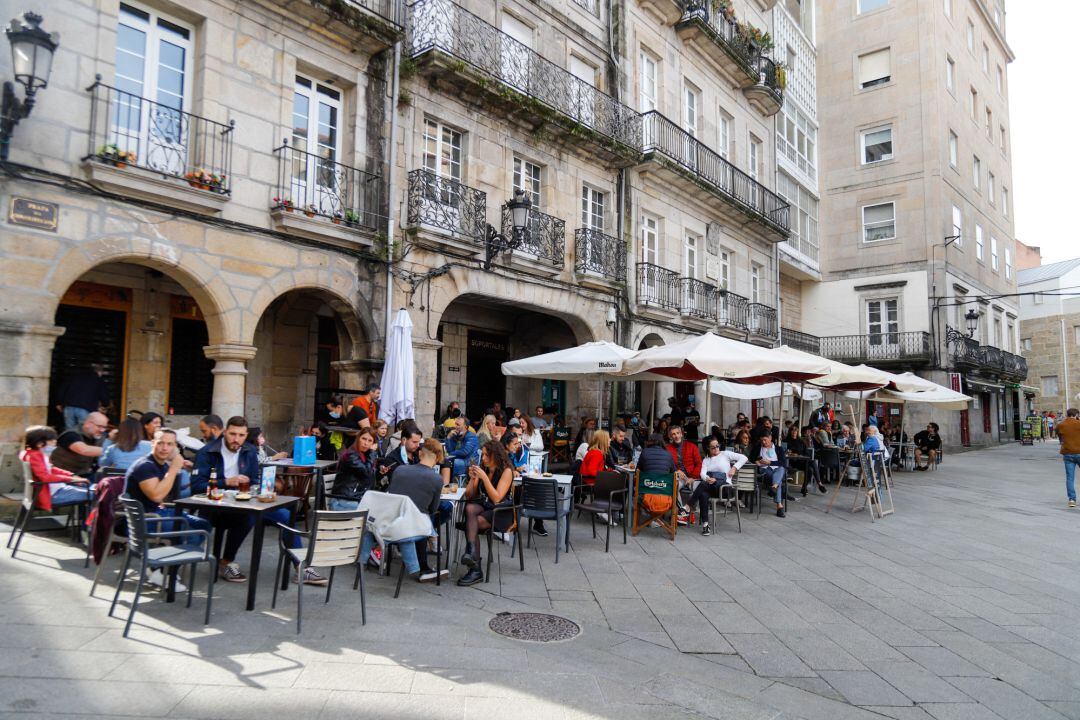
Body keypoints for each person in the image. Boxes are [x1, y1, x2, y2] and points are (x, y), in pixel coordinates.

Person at [194, 416, 326, 585]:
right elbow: (196, 486)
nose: (236, 439)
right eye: (232, 434)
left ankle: (302, 568)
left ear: (246, 435)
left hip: (246, 501)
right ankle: (226, 562)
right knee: (248, 517)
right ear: (225, 432)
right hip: (217, 507)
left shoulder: (248, 451)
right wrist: (226, 482)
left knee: (287, 516)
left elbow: (255, 481)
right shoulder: (207, 452)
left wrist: (264, 491)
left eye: (241, 435)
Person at [125, 429, 213, 590]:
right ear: (153, 444)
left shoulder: (159, 465)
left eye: (170, 444)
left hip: (157, 513)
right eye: (160, 443)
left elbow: (165, 496)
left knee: (204, 525)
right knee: (194, 533)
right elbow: (157, 496)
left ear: (175, 447)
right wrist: (175, 467)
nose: (164, 448)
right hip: (145, 520)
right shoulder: (145, 466)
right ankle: (163, 571)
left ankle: (162, 567)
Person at [380, 438, 449, 583]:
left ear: (420, 454)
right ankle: (424, 567)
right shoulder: (437, 479)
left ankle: (420, 564)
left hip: (392, 522)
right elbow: (433, 508)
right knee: (424, 516)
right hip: (414, 528)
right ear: (437, 458)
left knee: (419, 514)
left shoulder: (400, 469)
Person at [458, 440, 515, 586]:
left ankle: (474, 567)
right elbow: (470, 495)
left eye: (485, 455)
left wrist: (484, 477)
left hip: (501, 511)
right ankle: (472, 557)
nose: (482, 458)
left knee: (471, 525)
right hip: (485, 506)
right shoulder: (484, 468)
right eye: (482, 455)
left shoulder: (507, 471)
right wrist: (473, 479)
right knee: (469, 508)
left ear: (494, 455)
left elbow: (497, 498)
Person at [21, 425, 91, 512]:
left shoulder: (34, 454)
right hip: (53, 494)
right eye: (51, 440)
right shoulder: (34, 456)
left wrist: (72, 476)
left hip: (55, 490)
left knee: (91, 488)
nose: (55, 442)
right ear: (39, 444)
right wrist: (71, 479)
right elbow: (45, 477)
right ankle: (91, 525)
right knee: (95, 494)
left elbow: (52, 469)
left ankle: (88, 524)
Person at [693, 439, 747, 536]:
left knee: (703, 485)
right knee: (703, 493)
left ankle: (689, 505)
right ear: (708, 448)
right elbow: (702, 474)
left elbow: (744, 458)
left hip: (725, 488)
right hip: (712, 487)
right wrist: (708, 478)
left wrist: (734, 468)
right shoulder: (706, 460)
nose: (716, 449)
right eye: (713, 447)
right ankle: (705, 524)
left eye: (717, 446)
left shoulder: (725, 454)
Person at [329, 427, 378, 509]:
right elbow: (366, 473)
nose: (366, 443)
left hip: (355, 498)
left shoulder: (365, 455)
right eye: (364, 439)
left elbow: (369, 478)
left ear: (373, 444)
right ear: (358, 439)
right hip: (342, 501)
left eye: (370, 441)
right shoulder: (351, 455)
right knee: (375, 512)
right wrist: (372, 453)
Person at [55, 364, 111, 432]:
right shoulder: (98, 380)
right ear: (99, 372)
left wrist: (59, 402)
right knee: (83, 432)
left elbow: (62, 389)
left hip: (69, 407)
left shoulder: (74, 376)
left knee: (69, 431)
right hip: (85, 408)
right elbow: (104, 396)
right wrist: (106, 405)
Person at [50, 411, 108, 476]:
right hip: (63, 476)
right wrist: (111, 450)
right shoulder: (71, 434)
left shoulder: (99, 435)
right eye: (99, 426)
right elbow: (84, 450)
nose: (102, 430)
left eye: (104, 427)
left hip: (84, 474)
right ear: (88, 424)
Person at [666, 425, 702, 525]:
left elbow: (699, 463)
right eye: (673, 434)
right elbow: (667, 464)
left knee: (699, 488)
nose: (676, 436)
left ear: (681, 434)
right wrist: (676, 471)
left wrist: (693, 477)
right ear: (670, 436)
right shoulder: (667, 448)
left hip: (692, 476)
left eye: (678, 433)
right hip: (678, 477)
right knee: (674, 486)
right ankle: (682, 513)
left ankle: (689, 512)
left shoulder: (692, 446)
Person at [751, 433, 788, 518]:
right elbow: (751, 458)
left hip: (776, 470)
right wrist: (756, 462)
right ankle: (779, 505)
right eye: (762, 440)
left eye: (765, 440)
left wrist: (771, 462)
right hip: (765, 471)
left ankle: (774, 487)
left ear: (770, 438)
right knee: (778, 478)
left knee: (781, 469)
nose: (763, 442)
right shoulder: (758, 448)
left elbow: (783, 462)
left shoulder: (778, 448)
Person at [785, 425, 825, 495]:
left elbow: (806, 453)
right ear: (790, 431)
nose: (794, 432)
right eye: (792, 430)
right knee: (811, 466)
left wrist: (801, 455)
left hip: (802, 461)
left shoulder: (801, 441)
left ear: (797, 432)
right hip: (791, 462)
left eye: (796, 430)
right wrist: (792, 453)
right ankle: (819, 484)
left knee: (810, 468)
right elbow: (784, 451)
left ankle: (805, 487)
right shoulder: (786, 441)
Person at [1056, 408, 1080, 508]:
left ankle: (1072, 500)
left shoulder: (1061, 424)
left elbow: (1060, 437)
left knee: (1070, 478)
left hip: (1068, 453)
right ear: (1076, 414)